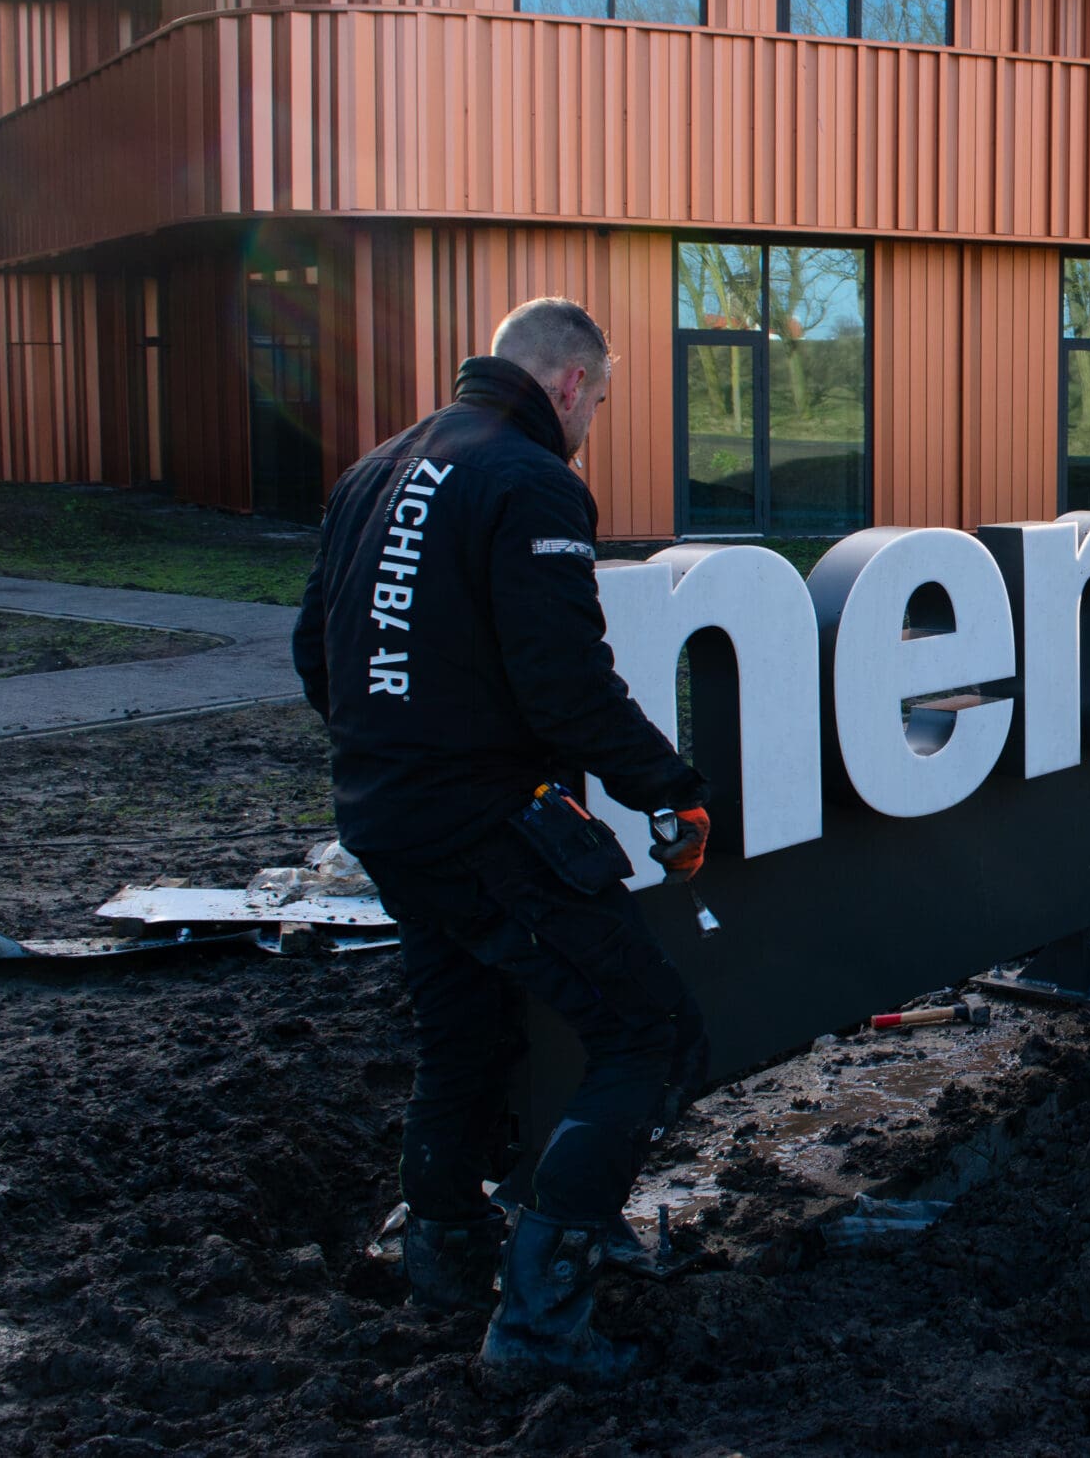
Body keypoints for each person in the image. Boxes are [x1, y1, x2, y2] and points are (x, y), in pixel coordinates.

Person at [292, 297, 713, 1383]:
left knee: (464, 1029)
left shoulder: (375, 470)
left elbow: (314, 651)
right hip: (481, 819)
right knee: (648, 1034)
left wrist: (391, 746)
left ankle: (437, 1251)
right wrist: (667, 787)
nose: (593, 426)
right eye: (601, 403)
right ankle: (538, 1326)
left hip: (383, 817)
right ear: (571, 383)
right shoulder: (532, 482)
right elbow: (563, 682)